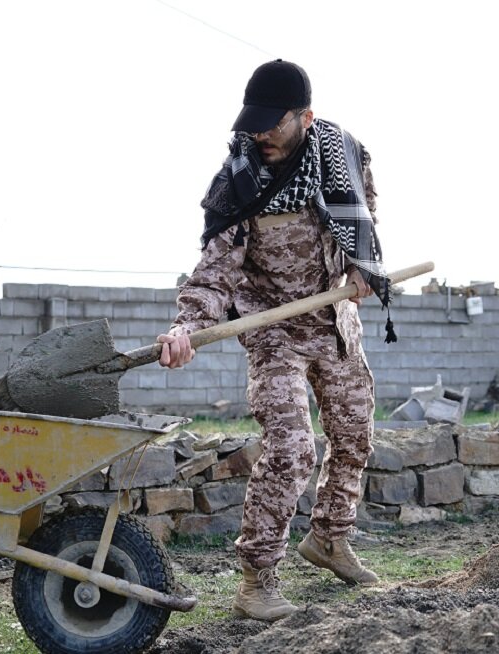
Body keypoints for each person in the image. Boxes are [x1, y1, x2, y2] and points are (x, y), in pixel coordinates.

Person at [155, 58, 393, 622]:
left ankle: (331, 538)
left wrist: (363, 268)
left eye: (273, 123)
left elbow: (365, 216)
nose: (259, 134)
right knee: (291, 449)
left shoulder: (345, 155)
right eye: (253, 122)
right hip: (273, 330)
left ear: (305, 117)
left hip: (334, 320)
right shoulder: (239, 179)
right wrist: (186, 326)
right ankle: (257, 581)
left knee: (356, 436)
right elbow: (215, 270)